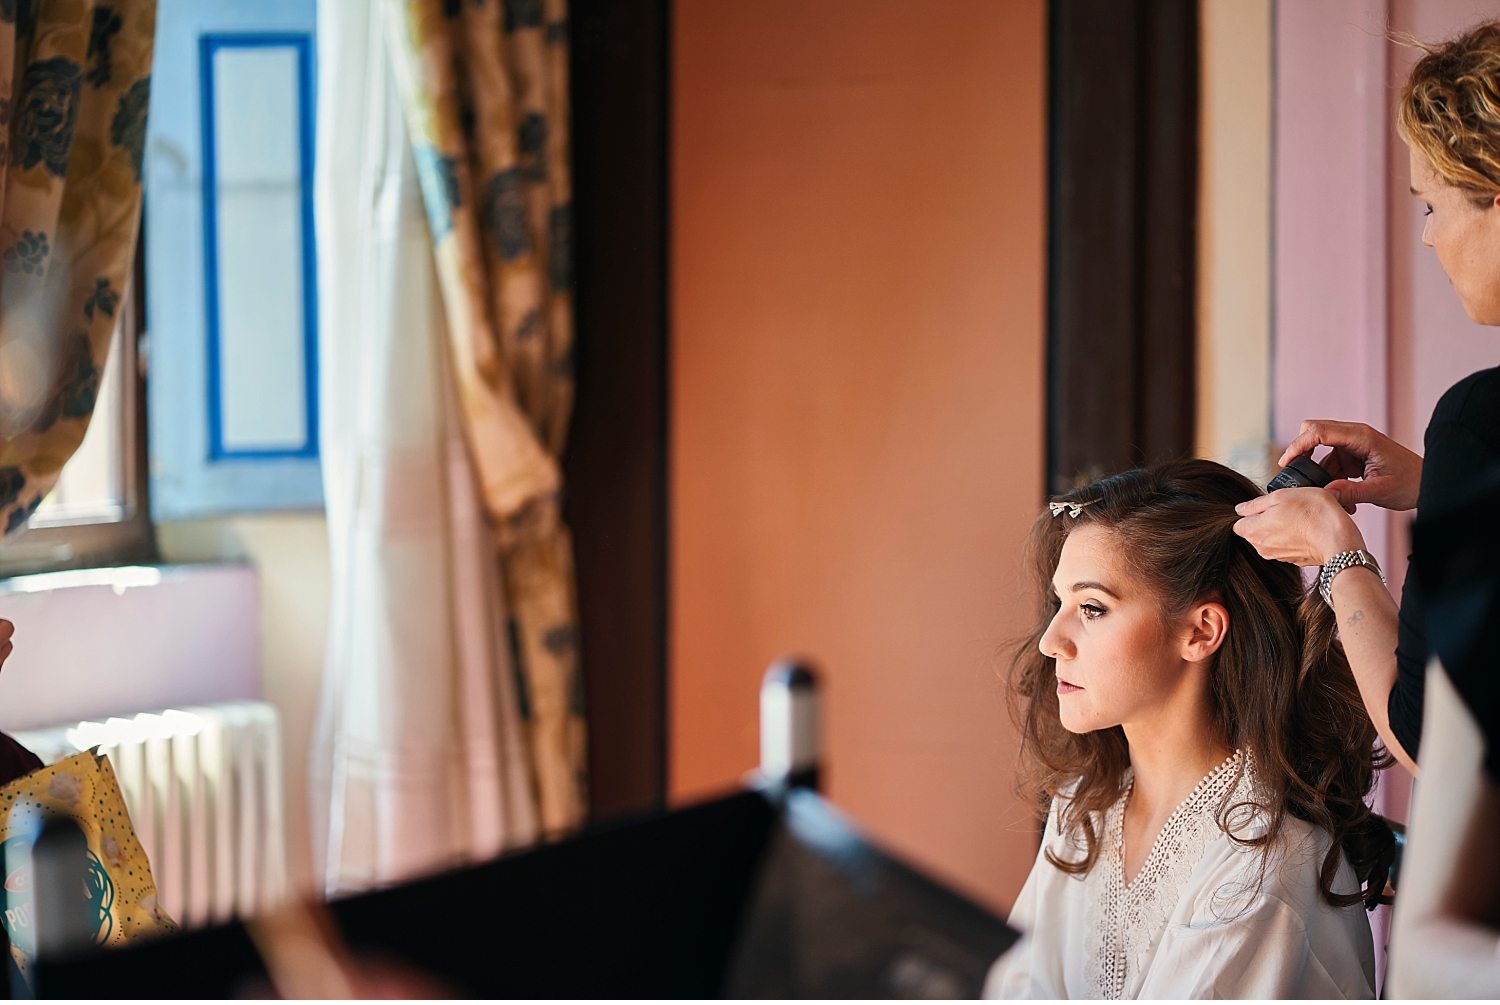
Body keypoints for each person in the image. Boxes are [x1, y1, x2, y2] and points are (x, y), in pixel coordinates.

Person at [986, 460, 1391, 999]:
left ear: (1201, 631)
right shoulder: (1086, 804)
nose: (1050, 641)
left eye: (1092, 607)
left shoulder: (1262, 871)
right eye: (1061, 603)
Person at [1232, 21, 1500, 778]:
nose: (1429, 239)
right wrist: (1439, 481)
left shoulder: (1479, 418)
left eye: (1432, 208)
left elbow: (1436, 746)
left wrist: (1337, 553)